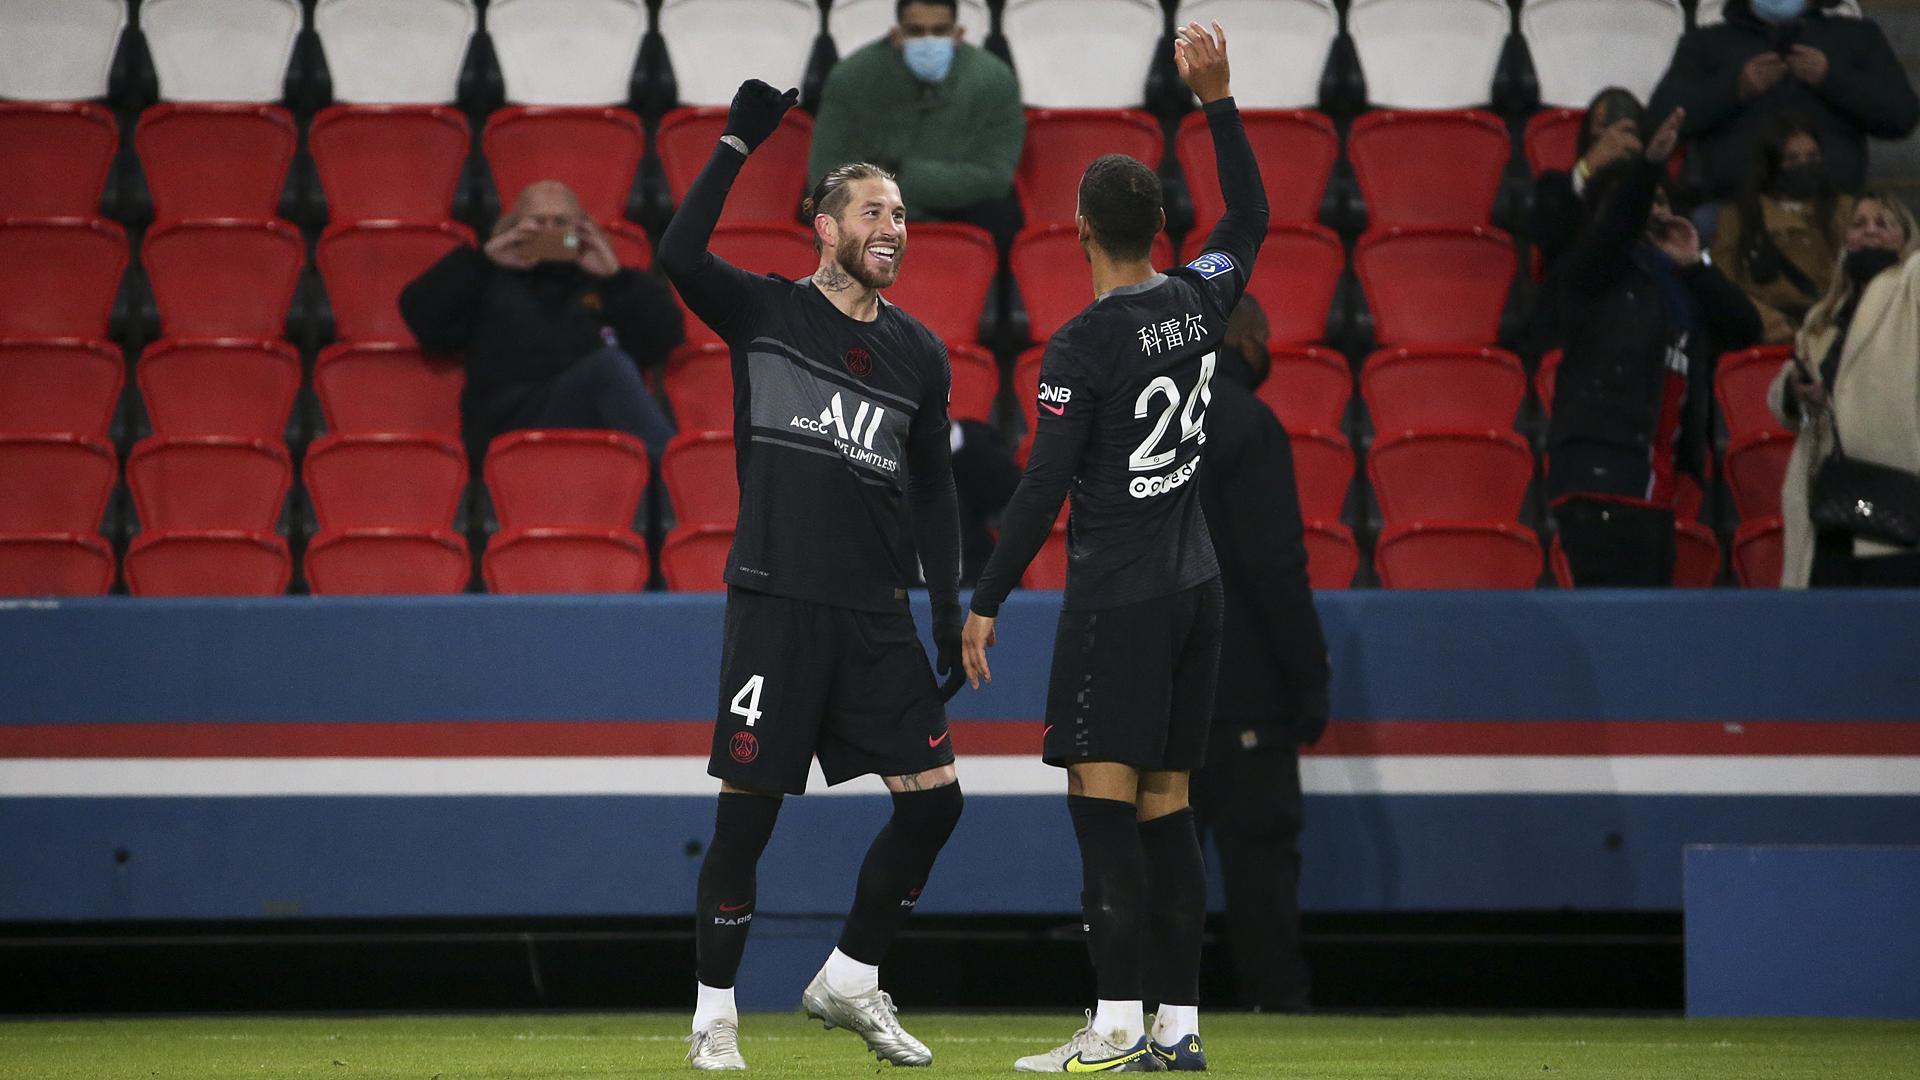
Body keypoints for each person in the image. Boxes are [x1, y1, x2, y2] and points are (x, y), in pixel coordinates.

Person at [961, 22, 1263, 1073]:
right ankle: (1178, 1031)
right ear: (1163, 226)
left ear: (1078, 228)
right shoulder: (1200, 294)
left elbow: (1045, 484)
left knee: (1103, 814)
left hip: (1120, 599)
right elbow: (1255, 217)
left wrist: (986, 595)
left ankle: (1117, 1023)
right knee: (1169, 809)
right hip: (1197, 593)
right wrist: (1218, 102)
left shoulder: (1084, 344)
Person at [656, 80, 966, 1071]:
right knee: (747, 823)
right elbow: (674, 255)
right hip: (777, 607)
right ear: (824, 226)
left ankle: (851, 978)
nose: (894, 227)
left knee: (936, 803)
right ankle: (715, 1016)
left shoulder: (918, 352)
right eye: (874, 210)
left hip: (877, 617)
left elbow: (937, 493)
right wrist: (741, 138)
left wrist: (954, 606)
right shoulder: (765, 312)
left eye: (904, 215)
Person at [1546, 108, 1763, 587]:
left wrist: (1695, 265)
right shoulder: (1591, 275)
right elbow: (1616, 226)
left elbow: (1746, 328)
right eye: (1648, 201)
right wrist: (1647, 168)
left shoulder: (1680, 284)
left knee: (1649, 629)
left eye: (1665, 201)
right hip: (1600, 474)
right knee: (1618, 629)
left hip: (1658, 483)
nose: (1660, 210)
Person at [1187, 295, 1329, 1015]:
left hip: (1160, 698)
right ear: (1246, 338)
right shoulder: (1250, 425)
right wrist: (1310, 682)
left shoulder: (1146, 422)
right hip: (1244, 698)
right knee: (1261, 876)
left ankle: (1139, 1018)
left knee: (1155, 877)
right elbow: (1275, 567)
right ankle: (1279, 1012)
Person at [399, 180, 683, 466]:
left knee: (611, 368)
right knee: (609, 368)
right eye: (537, 223)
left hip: (590, 415)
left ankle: (676, 477)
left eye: (560, 222)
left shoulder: (603, 281)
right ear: (514, 227)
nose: (549, 231)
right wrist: (482, 261)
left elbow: (664, 338)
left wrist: (616, 278)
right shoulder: (486, 276)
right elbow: (421, 316)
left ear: (581, 229)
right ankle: (681, 473)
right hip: (506, 422)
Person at [1768, 192, 1920, 587]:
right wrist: (1796, 389)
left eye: (1883, 223)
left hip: (1894, 499)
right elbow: (1789, 403)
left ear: (1907, 241)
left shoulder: (1911, 286)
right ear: (1845, 241)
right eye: (1859, 223)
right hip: (1826, 501)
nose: (1870, 229)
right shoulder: (1822, 316)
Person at [1648, 0, 1918, 202]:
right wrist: (1734, 89)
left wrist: (1831, 78)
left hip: (1836, 208)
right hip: (1733, 212)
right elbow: (1662, 118)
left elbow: (1902, 115)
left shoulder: (1857, 35)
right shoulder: (1706, 42)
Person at [809, 0, 1025, 244]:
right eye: (915, 31)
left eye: (940, 30)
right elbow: (826, 172)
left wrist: (898, 174)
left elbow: (995, 178)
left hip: (962, 209)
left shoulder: (995, 80)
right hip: (869, 209)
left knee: (1003, 217)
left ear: (957, 34)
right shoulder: (850, 79)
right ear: (896, 35)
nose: (928, 40)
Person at [1711, 115, 1855, 344]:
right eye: (1792, 159)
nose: (1805, 165)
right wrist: (1768, 321)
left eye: (1812, 156)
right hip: (1768, 332)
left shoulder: (1846, 210)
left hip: (1833, 329)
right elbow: (1723, 285)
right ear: (1771, 164)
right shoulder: (1738, 217)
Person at [1531, 87, 1648, 278]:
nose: (1613, 139)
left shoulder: (1656, 188)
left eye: (1625, 129)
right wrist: (1587, 168)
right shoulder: (1555, 187)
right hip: (1576, 293)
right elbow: (1547, 234)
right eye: (1602, 129)